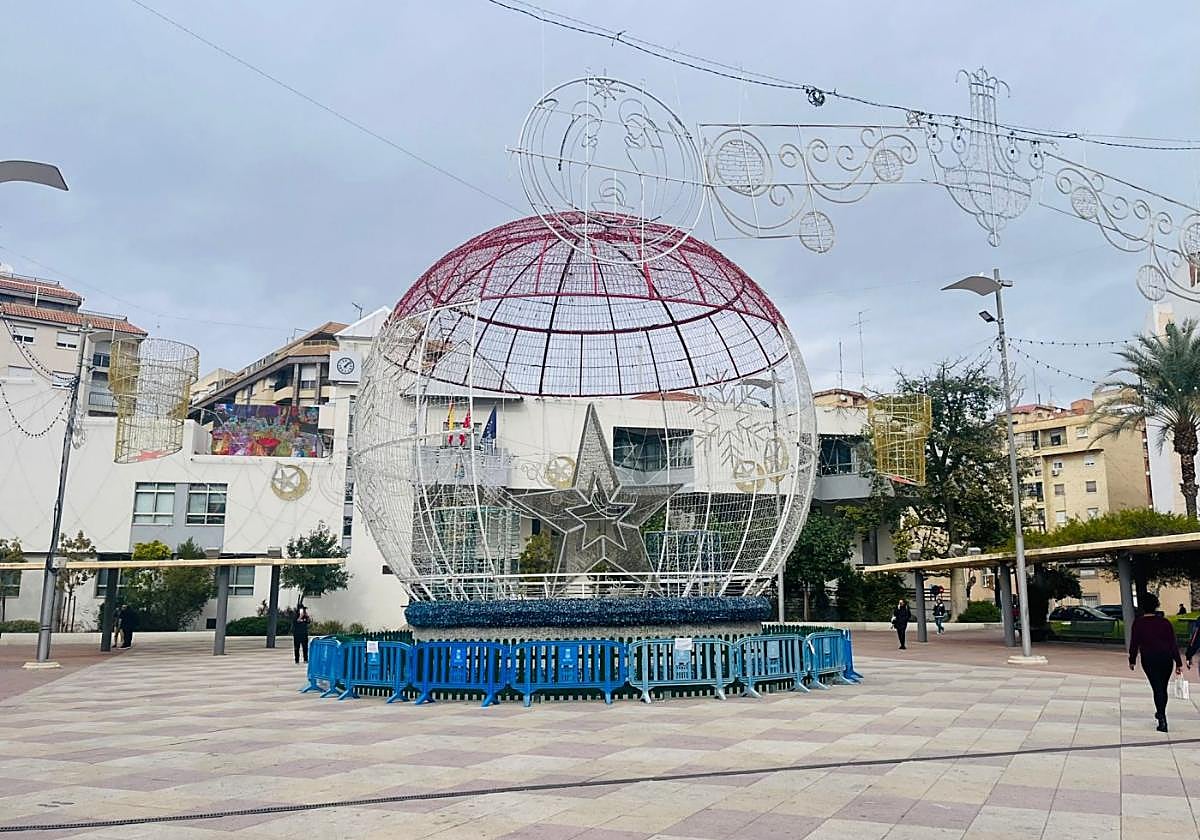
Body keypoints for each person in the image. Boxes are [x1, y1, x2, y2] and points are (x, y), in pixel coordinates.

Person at [1128, 593, 1182, 732]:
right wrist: (1178, 662)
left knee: (1156, 686)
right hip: (1166, 658)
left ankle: (1161, 717)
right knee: (1162, 687)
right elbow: (1172, 644)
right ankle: (1161, 713)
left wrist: (1132, 659)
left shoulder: (1138, 623)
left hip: (1149, 658)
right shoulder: (1165, 622)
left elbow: (1134, 643)